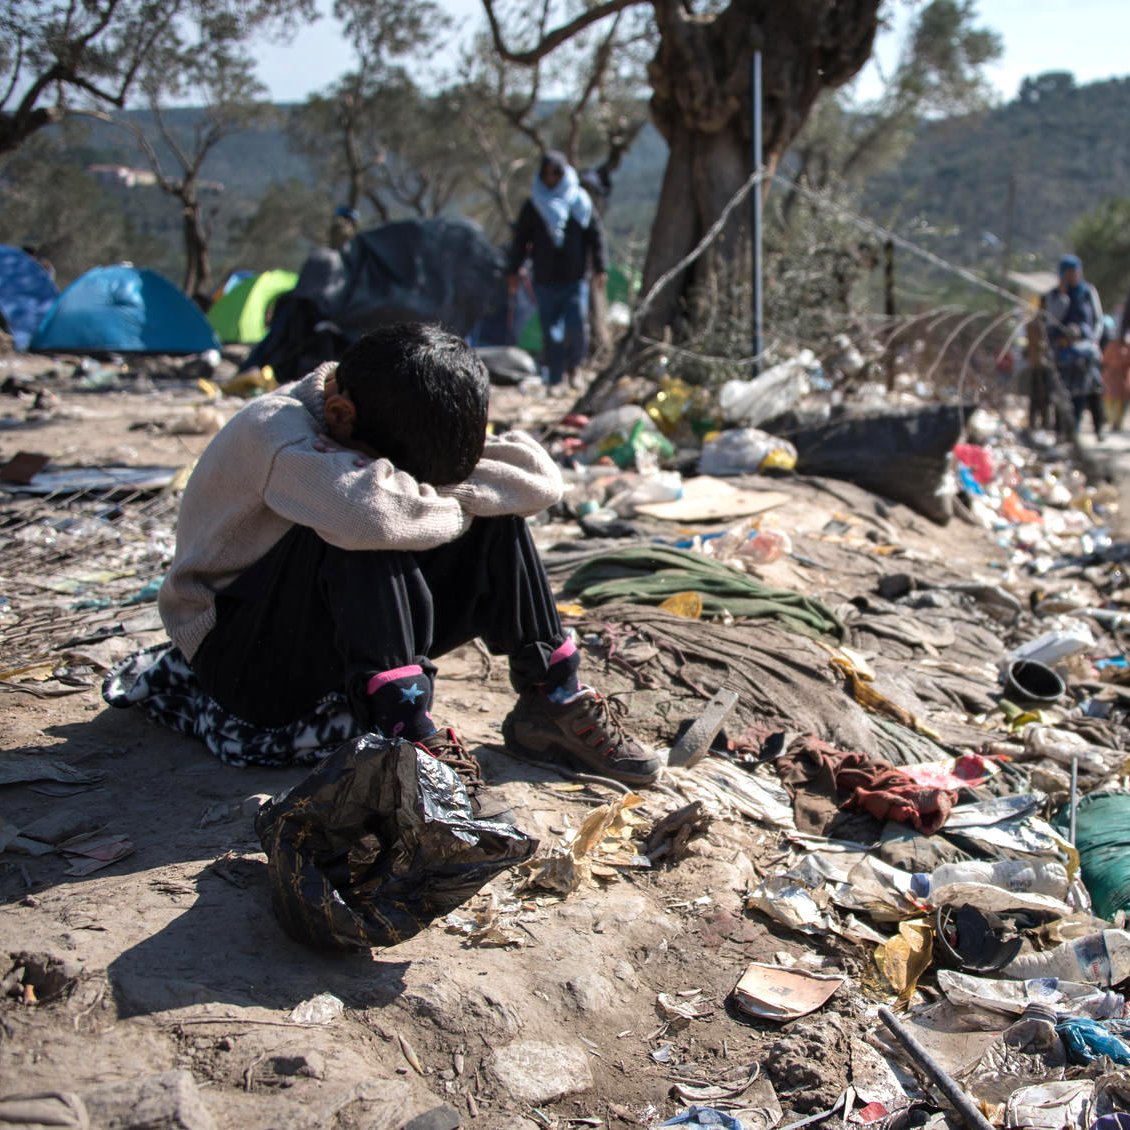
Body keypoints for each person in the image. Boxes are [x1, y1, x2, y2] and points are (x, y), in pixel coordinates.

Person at [152, 321, 660, 786]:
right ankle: (405, 737)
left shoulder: (405, 405)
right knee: (370, 523)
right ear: (339, 415)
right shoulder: (276, 432)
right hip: (244, 659)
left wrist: (440, 493)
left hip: (321, 635)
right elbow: (368, 516)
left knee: (494, 516)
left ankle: (551, 698)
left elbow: (538, 479)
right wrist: (444, 499)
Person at [507, 151, 607, 391]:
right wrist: (513, 270)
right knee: (551, 333)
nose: (551, 178)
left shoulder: (579, 203)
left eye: (556, 172)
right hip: (544, 279)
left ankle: (575, 369)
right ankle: (555, 378)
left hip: (575, 279)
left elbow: (595, 235)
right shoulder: (534, 205)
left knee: (577, 326)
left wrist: (600, 267)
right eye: (547, 173)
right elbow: (521, 240)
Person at [1044, 254, 1105, 438]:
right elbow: (1052, 321)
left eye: (1075, 272)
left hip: (1085, 351)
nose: (1072, 276)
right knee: (1061, 393)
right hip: (1062, 353)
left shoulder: (1087, 292)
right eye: (1068, 272)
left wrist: (1093, 341)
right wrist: (1062, 296)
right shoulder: (1054, 295)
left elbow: (1098, 320)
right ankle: (1062, 431)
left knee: (1087, 390)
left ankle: (1086, 428)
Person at [1101, 314, 1130, 432]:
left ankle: (1117, 422)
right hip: (1110, 377)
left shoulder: (1127, 347)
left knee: (1120, 402)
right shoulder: (1111, 346)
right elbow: (1104, 360)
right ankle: (1110, 420)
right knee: (1108, 400)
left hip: (1122, 378)